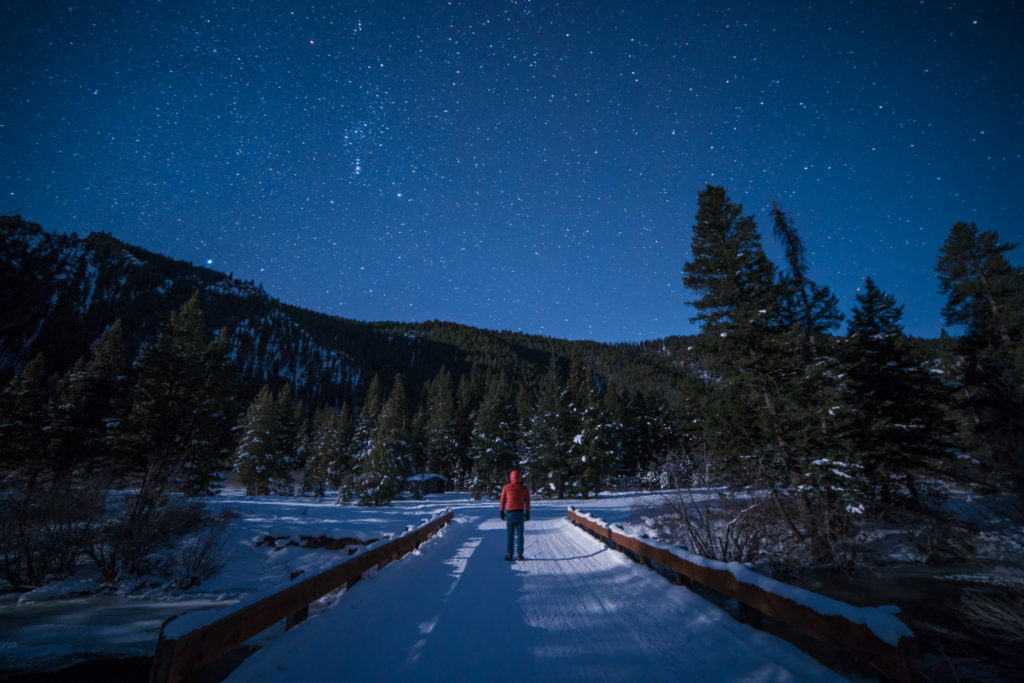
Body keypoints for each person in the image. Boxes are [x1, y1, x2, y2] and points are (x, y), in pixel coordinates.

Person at [499, 469, 530, 561]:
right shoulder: (524, 488)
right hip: (520, 513)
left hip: (510, 514)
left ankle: (509, 554)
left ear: (510, 477)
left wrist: (501, 511)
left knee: (510, 534)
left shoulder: (506, 487)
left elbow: (502, 500)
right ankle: (520, 554)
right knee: (520, 534)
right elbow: (527, 501)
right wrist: (528, 513)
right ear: (520, 477)